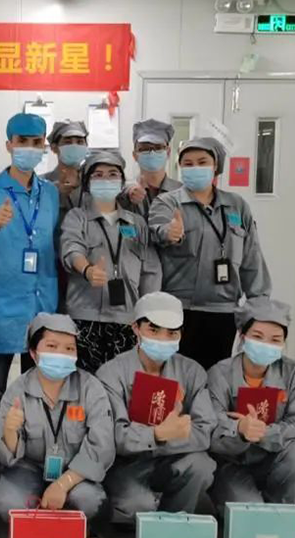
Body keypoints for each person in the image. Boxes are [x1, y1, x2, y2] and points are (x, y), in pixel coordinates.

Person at [0, 313, 113, 538]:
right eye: (52, 346)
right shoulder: (17, 391)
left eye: (69, 348)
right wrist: (10, 431)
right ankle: (39, 530)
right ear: (33, 353)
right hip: (29, 467)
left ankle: (76, 529)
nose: (61, 354)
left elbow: (102, 445)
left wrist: (64, 484)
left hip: (74, 470)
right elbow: (4, 456)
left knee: (89, 500)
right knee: (6, 502)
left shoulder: (90, 388)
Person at [149, 137, 271, 370]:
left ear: (215, 166)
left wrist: (259, 309)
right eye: (188, 163)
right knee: (175, 378)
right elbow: (157, 229)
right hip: (178, 310)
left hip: (223, 311)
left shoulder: (237, 205)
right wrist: (169, 232)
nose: (195, 167)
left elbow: (252, 258)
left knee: (215, 377)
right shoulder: (167, 202)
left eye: (202, 162)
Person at [96, 292, 216, 523]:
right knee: (136, 507)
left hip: (173, 458)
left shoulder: (192, 372)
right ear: (135, 328)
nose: (163, 339)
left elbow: (204, 430)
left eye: (172, 333)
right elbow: (115, 435)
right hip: (126, 463)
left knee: (201, 465)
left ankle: (174, 521)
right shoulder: (111, 373)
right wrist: (157, 434)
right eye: (154, 330)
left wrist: (162, 439)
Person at [0, 113, 59, 398]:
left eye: (36, 142)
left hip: (41, 301)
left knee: (37, 392)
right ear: (9, 145)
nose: (29, 148)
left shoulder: (50, 194)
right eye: (22, 141)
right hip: (1, 305)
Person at [60, 151, 161, 373]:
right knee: (85, 383)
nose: (105, 179)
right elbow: (71, 249)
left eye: (112, 174)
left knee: (124, 382)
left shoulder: (136, 223)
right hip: (85, 317)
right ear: (87, 183)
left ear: (122, 182)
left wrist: (147, 314)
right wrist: (87, 270)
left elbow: (150, 271)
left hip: (128, 319)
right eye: (98, 175)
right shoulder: (77, 217)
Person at [209, 297, 295, 509]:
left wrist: (265, 433)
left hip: (276, 457)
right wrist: (239, 429)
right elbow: (210, 425)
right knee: (248, 511)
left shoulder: (291, 373)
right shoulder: (219, 373)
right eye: (258, 336)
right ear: (242, 336)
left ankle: (283, 514)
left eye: (275, 339)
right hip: (231, 462)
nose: (266, 344)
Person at [118, 119, 182, 219]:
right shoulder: (124, 191)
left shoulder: (181, 192)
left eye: (158, 147)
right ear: (135, 155)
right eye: (144, 148)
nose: (152, 153)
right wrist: (127, 195)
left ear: (168, 152)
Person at [44, 119, 89, 222]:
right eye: (67, 142)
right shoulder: (42, 183)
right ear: (54, 148)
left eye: (80, 142)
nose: (74, 146)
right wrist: (54, 193)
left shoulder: (93, 182)